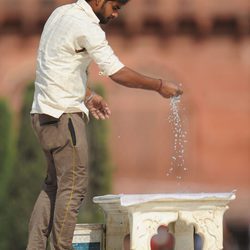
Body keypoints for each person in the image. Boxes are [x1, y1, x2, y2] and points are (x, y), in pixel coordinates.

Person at [27, 0, 183, 249]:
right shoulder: (86, 25)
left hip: (42, 115)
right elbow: (116, 71)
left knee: (53, 186)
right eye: (115, 6)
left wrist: (87, 95)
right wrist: (159, 85)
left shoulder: (60, 14)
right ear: (98, 1)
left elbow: (56, 65)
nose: (116, 14)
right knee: (74, 187)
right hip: (65, 117)